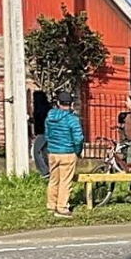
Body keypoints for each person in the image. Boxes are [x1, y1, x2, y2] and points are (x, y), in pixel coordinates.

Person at [44, 90, 83, 218]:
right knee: (65, 182)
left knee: (53, 180)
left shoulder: (50, 117)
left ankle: (51, 205)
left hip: (53, 152)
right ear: (71, 104)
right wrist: (77, 151)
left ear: (58, 103)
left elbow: (47, 135)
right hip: (67, 152)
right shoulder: (72, 119)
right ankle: (62, 208)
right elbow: (78, 138)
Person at [31, 91, 51, 178]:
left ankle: (44, 171)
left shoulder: (39, 109)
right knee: (45, 152)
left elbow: (40, 121)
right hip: (48, 132)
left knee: (36, 151)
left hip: (42, 133)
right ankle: (49, 170)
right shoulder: (48, 108)